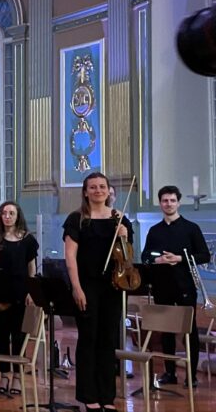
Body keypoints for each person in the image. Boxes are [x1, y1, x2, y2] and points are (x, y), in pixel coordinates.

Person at [63, 172, 132, 412]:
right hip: (87, 285)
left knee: (108, 341)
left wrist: (124, 236)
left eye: (102, 186)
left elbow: (127, 255)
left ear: (108, 190)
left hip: (113, 286)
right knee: (89, 339)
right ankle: (87, 395)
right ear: (85, 192)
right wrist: (77, 287)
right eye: (92, 187)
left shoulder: (119, 220)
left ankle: (107, 396)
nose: (98, 190)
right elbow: (70, 257)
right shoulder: (77, 219)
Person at [142, 185, 210, 388]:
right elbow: (146, 256)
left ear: (178, 202)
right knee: (166, 331)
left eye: (172, 200)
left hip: (185, 285)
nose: (168, 204)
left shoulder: (191, 228)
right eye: (165, 200)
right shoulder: (154, 231)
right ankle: (170, 373)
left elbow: (204, 255)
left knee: (190, 331)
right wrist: (159, 260)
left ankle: (191, 376)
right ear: (160, 203)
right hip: (162, 285)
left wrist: (180, 258)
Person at [0, 201, 38, 395]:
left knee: (19, 337)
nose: (7, 216)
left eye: (11, 213)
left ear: (18, 216)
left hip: (21, 293)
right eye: (4, 213)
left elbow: (32, 268)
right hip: (0, 294)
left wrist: (32, 292)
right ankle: (4, 375)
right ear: (0, 216)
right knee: (2, 337)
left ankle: (17, 377)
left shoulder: (28, 240)